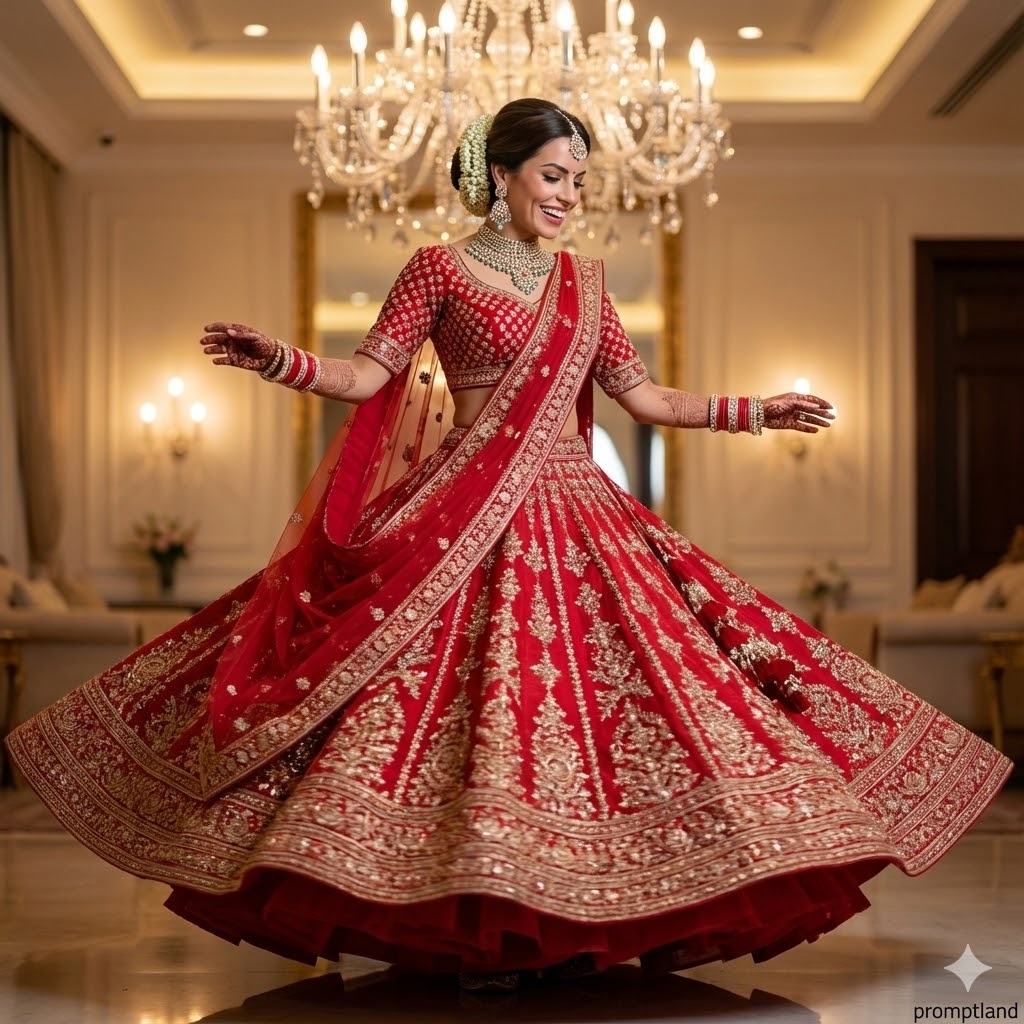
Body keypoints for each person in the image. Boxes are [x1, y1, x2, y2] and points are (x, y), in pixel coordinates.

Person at [6, 98, 1011, 995]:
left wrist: (757, 409)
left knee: (626, 704)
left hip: (579, 515)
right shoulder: (438, 267)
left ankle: (588, 915)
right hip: (459, 515)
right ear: (501, 174)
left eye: (579, 180)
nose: (568, 196)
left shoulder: (587, 283)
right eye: (553, 175)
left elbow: (646, 400)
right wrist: (281, 360)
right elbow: (367, 378)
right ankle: (469, 918)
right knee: (464, 713)